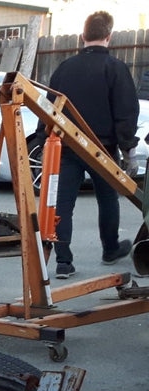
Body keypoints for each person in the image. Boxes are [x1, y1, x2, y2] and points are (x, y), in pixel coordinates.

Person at [44, 10, 140, 279]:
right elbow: (125, 113)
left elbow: (49, 108)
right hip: (103, 149)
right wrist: (128, 151)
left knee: (63, 204)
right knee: (108, 199)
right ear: (109, 37)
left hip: (67, 147)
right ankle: (110, 249)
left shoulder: (64, 69)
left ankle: (64, 262)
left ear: (82, 36)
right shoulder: (116, 68)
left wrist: (44, 141)